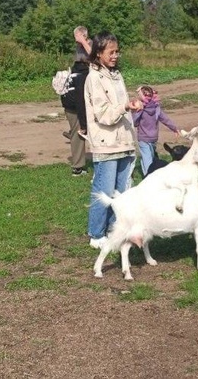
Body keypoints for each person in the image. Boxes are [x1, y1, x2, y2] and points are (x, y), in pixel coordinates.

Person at [84, 31, 143, 249]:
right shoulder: (94, 78)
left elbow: (121, 109)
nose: (115, 55)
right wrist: (124, 107)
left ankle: (113, 229)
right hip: (106, 143)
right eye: (111, 52)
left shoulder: (116, 76)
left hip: (124, 141)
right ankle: (96, 233)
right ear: (99, 53)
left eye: (117, 51)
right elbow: (103, 114)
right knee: (105, 190)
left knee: (121, 192)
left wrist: (133, 106)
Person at [61, 26, 91, 176]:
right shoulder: (79, 69)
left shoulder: (90, 45)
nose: (76, 39)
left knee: (81, 131)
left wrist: (84, 41)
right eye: (75, 36)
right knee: (79, 131)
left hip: (80, 100)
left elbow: (94, 57)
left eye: (78, 36)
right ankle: (78, 167)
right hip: (73, 102)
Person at [132, 85, 180, 176]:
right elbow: (165, 119)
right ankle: (149, 174)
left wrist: (137, 112)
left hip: (143, 138)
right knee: (148, 157)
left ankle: (148, 176)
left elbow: (134, 122)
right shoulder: (156, 108)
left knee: (147, 158)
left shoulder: (141, 109)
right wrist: (174, 128)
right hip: (153, 138)